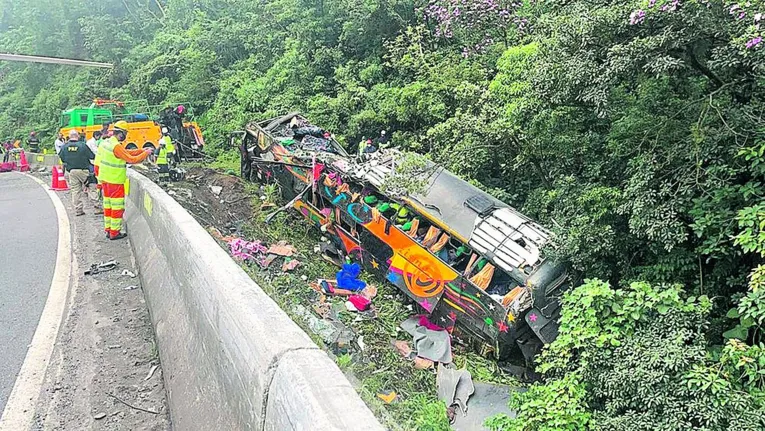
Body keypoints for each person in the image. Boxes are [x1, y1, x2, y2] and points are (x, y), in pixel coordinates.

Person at [97, 120, 153, 240]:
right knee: (117, 208)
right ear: (121, 133)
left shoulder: (107, 142)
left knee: (108, 207)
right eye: (125, 133)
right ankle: (115, 233)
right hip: (115, 181)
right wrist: (146, 153)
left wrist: (141, 150)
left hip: (105, 180)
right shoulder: (116, 146)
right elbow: (131, 159)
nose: (126, 136)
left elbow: (126, 153)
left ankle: (108, 230)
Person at [58, 130, 96, 216]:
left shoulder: (65, 146)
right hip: (84, 171)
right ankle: (97, 207)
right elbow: (92, 156)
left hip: (72, 171)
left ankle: (78, 210)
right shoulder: (82, 145)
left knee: (75, 191)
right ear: (77, 136)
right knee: (91, 187)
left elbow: (62, 158)